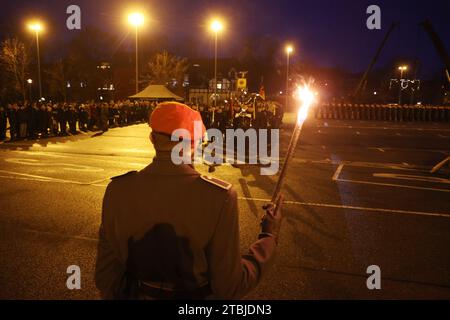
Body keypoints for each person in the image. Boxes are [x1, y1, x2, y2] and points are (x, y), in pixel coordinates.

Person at [95, 101, 283, 300]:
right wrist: (268, 238)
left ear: (152, 138)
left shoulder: (118, 189)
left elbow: (106, 278)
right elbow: (229, 285)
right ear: (193, 145)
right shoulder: (219, 197)